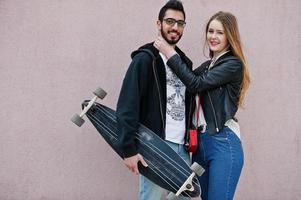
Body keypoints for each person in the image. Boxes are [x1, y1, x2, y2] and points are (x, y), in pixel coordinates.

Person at [154, 11, 251, 200]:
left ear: (230, 37)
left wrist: (170, 52)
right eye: (210, 31)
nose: (213, 37)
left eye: (220, 33)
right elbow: (185, 82)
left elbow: (195, 84)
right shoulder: (208, 66)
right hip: (200, 144)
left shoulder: (233, 64)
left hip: (223, 141)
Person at [116, 1, 194, 199]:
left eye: (180, 23)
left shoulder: (184, 63)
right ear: (158, 24)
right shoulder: (145, 59)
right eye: (170, 21)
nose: (175, 27)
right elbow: (127, 105)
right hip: (156, 146)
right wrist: (128, 149)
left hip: (182, 149)